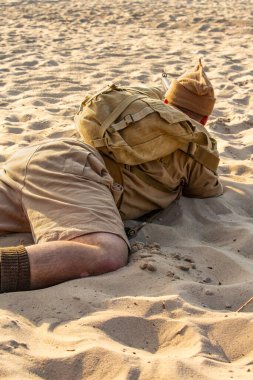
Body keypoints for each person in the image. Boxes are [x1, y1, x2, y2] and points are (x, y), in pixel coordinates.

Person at [0, 60, 222, 293]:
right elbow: (208, 190)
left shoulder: (129, 113)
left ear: (164, 102)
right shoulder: (195, 147)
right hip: (76, 172)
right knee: (104, 252)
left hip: (38, 159)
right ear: (204, 121)